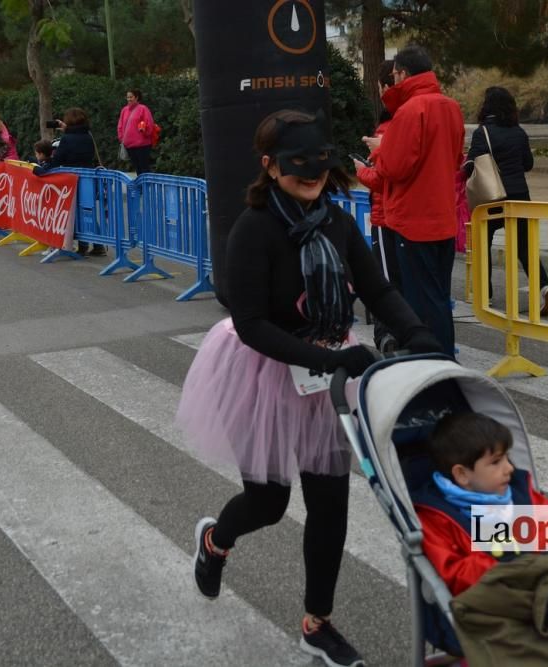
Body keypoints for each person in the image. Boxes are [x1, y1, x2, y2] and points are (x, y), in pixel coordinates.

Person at [178, 109, 441, 667]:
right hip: (261, 367)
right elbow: (251, 325)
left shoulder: (339, 223)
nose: (312, 174)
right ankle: (214, 541)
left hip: (328, 366)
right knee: (268, 502)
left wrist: (419, 334)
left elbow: (375, 287)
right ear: (270, 167)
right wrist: (328, 357)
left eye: (320, 162)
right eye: (298, 165)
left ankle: (316, 623)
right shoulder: (252, 230)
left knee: (330, 505)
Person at [361, 46, 465, 358]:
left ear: (403, 73)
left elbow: (394, 167)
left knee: (419, 300)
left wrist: (380, 150)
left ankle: (431, 360)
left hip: (413, 219)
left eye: (394, 76)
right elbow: (457, 157)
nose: (392, 82)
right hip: (442, 217)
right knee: (438, 296)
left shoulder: (410, 111)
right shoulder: (451, 107)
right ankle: (443, 357)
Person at [408, 412, 548, 597]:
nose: (510, 468)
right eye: (496, 462)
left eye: (507, 457)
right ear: (462, 474)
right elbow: (454, 574)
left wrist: (537, 559)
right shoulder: (438, 517)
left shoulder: (521, 495)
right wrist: (512, 567)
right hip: (497, 604)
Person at [467, 86, 548, 315]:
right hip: (520, 197)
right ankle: (545, 288)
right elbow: (528, 164)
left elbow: (471, 166)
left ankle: (486, 295)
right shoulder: (519, 132)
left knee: (483, 243)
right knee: (524, 247)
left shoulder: (482, 133)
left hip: (492, 198)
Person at [354, 60, 402, 353]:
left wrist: (360, 170)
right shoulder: (430, 114)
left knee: (386, 280)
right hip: (413, 216)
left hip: (387, 215)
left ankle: (387, 335)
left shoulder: (389, 126)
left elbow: (385, 177)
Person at [34, 107, 107, 257]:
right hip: (88, 177)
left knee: (75, 212)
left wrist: (42, 170)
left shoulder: (67, 139)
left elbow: (58, 160)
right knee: (88, 211)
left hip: (72, 179)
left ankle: (82, 245)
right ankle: (97, 244)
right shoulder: (88, 136)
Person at [116, 89, 155, 175]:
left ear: (136, 97)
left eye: (131, 97)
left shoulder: (143, 109)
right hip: (129, 145)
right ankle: (141, 187)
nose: (129, 99)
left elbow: (149, 124)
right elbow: (120, 125)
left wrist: (145, 131)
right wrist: (122, 138)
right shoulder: (124, 110)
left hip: (142, 145)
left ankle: (146, 187)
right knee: (137, 168)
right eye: (127, 97)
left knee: (144, 168)